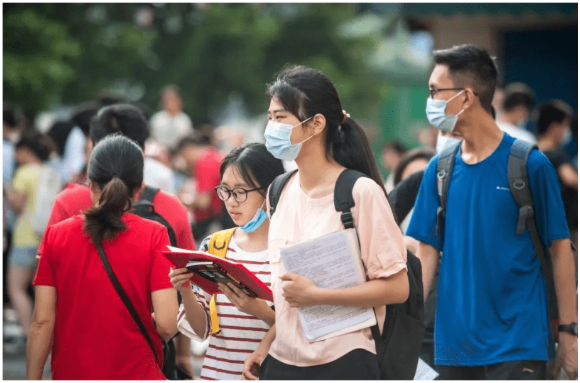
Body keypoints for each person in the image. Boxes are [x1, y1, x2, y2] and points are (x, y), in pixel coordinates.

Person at [407, 44, 577, 380]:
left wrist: (569, 333)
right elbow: (424, 252)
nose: (431, 102)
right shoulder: (438, 169)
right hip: (454, 345)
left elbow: (560, 250)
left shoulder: (530, 164)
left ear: (466, 97)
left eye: (435, 91)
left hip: (519, 343)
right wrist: (406, 328)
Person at [242, 65, 408, 380]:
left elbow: (397, 287)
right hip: (282, 362)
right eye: (270, 117)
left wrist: (320, 296)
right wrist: (265, 347)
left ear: (316, 124)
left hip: (343, 361)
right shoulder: (279, 191)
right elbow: (288, 294)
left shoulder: (361, 193)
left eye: (281, 118)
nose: (271, 127)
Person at [41, 104, 197, 377]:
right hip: (142, 362)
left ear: (94, 149)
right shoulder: (171, 210)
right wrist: (183, 354)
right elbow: (184, 283)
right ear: (142, 152)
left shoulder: (66, 204)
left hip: (74, 364)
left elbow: (46, 308)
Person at [169, 143, 284, 380]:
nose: (231, 202)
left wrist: (260, 312)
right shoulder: (215, 246)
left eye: (240, 191)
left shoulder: (290, 249)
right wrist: (186, 291)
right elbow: (200, 331)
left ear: (270, 190)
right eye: (225, 191)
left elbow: (307, 327)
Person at [4, 132, 56, 347]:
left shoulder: (24, 173)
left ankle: (29, 334)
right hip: (47, 238)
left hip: (25, 236)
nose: (16, 157)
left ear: (26, 151)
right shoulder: (51, 172)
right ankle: (46, 335)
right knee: (40, 289)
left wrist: (7, 190)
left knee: (15, 288)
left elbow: (18, 204)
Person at [535, 100, 578, 268]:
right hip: (563, 224)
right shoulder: (556, 154)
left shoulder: (530, 151)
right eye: (565, 126)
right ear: (554, 127)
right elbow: (571, 179)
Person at [176, 134, 224, 243]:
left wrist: (179, 199)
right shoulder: (215, 155)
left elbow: (204, 202)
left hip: (212, 222)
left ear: (187, 150)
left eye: (182, 157)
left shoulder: (204, 163)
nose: (185, 163)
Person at [150, 85, 194, 151]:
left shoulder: (184, 120)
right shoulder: (157, 119)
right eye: (167, 100)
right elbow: (153, 139)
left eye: (173, 99)